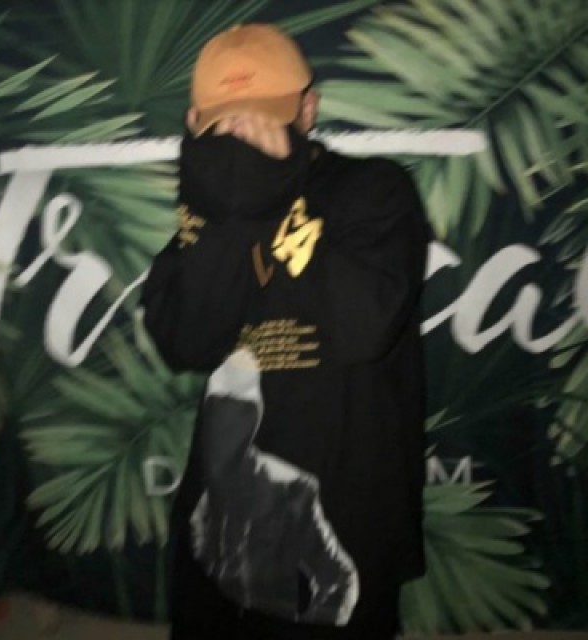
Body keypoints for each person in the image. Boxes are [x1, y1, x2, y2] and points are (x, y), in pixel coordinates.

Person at [141, 23, 431, 640]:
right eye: (227, 123)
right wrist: (230, 211)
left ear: (307, 109)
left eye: (266, 116)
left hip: (344, 512)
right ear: (195, 123)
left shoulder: (373, 189)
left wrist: (273, 203)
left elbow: (366, 326)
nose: (248, 134)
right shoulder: (206, 211)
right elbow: (183, 342)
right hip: (219, 520)